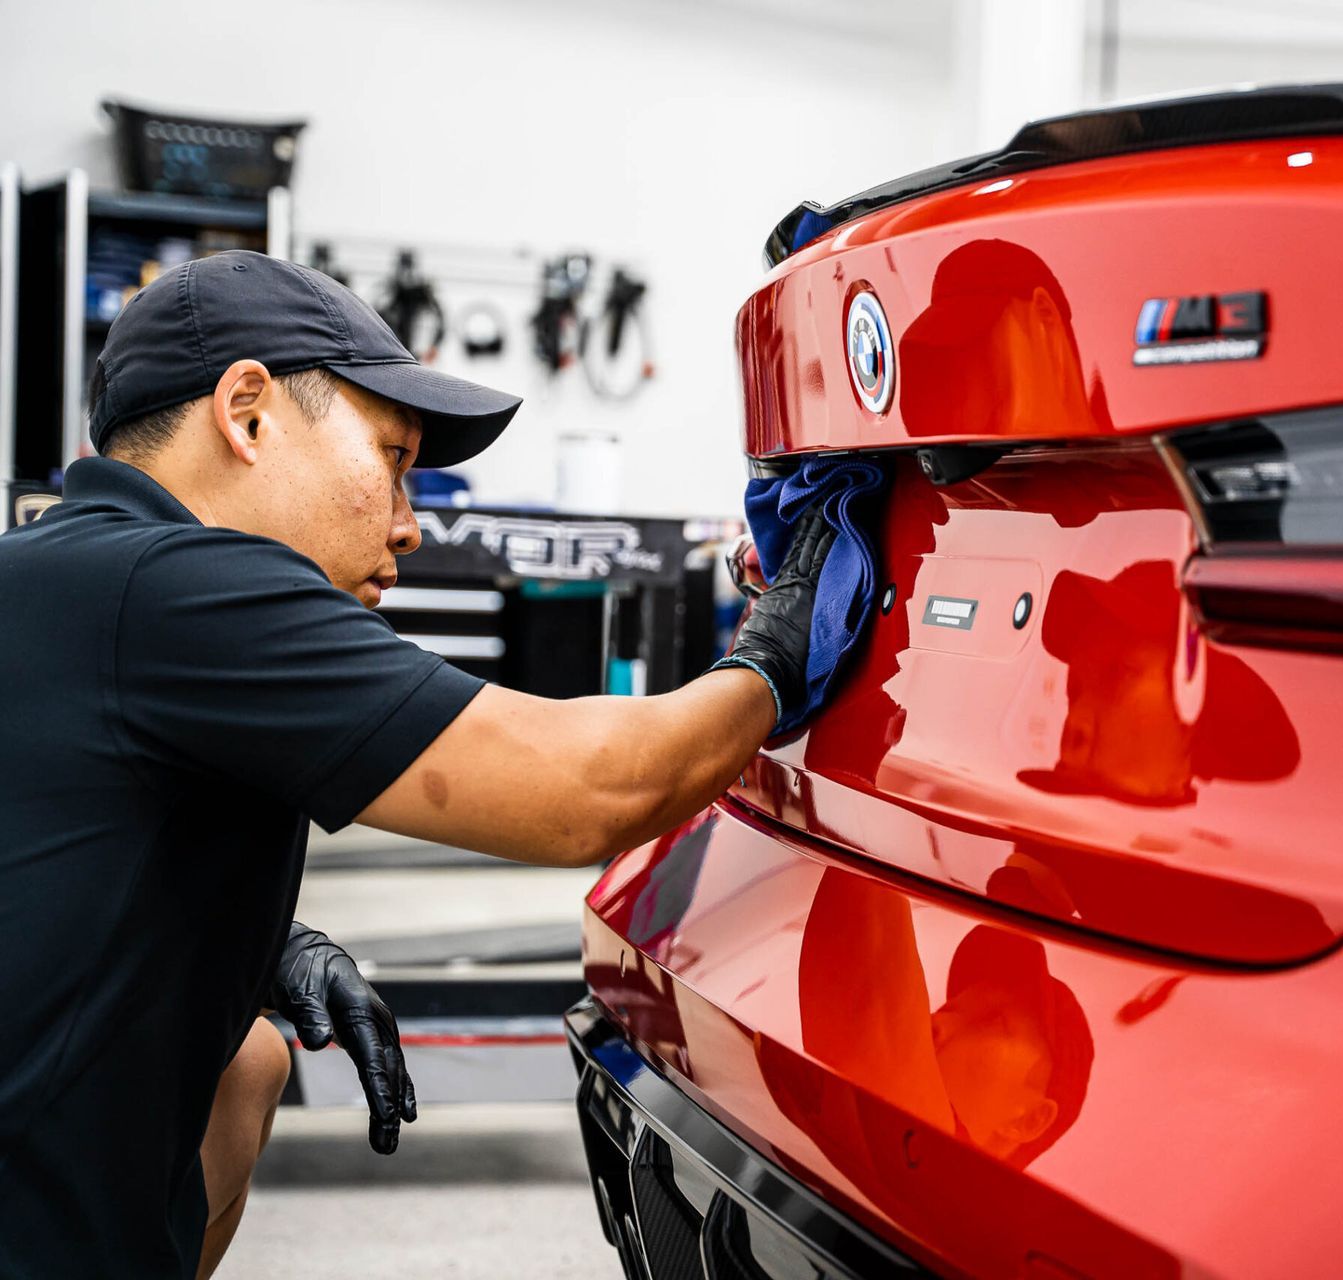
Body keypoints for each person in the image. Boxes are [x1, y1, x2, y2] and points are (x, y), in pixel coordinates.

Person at [0, 251, 831, 1278]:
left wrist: (267, 946)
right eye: (392, 458)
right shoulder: (178, 584)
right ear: (248, 412)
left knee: (247, 1061)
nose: (410, 520)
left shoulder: (59, 569)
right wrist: (777, 648)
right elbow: (586, 791)